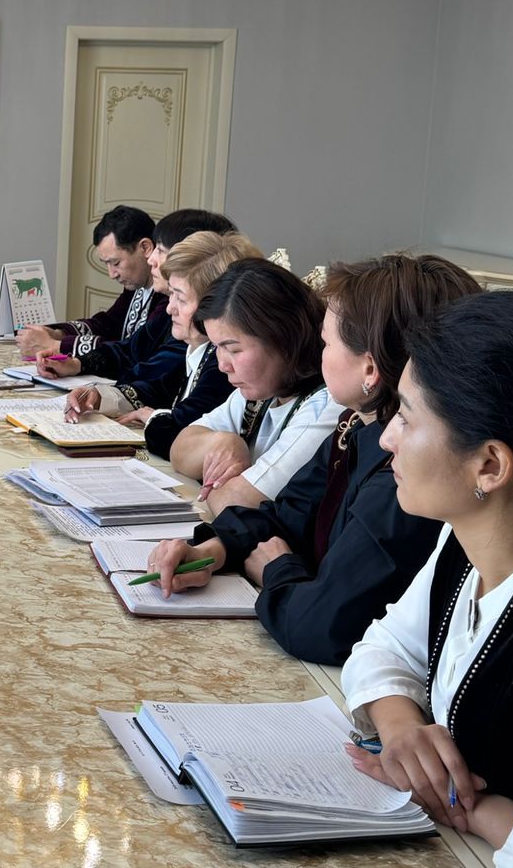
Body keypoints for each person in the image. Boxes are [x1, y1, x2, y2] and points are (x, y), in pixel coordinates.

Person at [341, 289, 513, 868]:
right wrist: (402, 729)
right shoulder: (464, 541)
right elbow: (383, 648)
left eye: (406, 417)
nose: (385, 438)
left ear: (488, 465)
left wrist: (479, 809)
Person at [151, 254, 480, 662]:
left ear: (370, 369)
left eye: (326, 344)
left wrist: (276, 570)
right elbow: (284, 516)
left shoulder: (400, 471)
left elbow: (320, 624)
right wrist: (213, 549)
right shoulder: (354, 427)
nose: (319, 353)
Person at [168, 257, 342, 513]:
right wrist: (225, 442)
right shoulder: (261, 390)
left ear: (283, 337)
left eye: (233, 349)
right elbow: (180, 449)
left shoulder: (326, 403)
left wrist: (217, 483)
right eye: (217, 348)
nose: (222, 365)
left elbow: (238, 503)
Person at [65, 231, 260, 450]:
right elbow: (159, 389)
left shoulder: (220, 364)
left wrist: (154, 418)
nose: (169, 308)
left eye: (181, 299)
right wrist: (99, 396)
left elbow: (178, 432)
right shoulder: (198, 348)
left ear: (214, 306)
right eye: (171, 295)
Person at [35, 208, 237, 410]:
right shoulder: (147, 292)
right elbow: (126, 343)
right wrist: (75, 360)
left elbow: (156, 375)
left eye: (161, 250)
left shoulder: (201, 336)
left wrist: (64, 347)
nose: (151, 260)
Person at [17, 205, 157, 360]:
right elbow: (108, 324)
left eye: (116, 263)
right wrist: (59, 334)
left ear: (145, 247)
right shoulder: (137, 284)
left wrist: (56, 346)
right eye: (107, 264)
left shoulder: (168, 294)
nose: (112, 274)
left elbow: (133, 349)